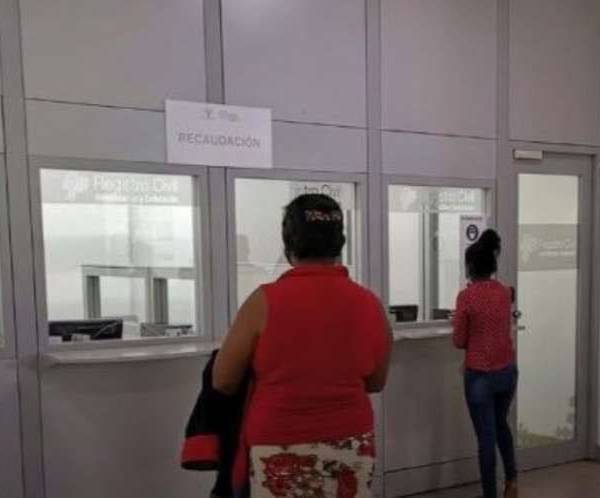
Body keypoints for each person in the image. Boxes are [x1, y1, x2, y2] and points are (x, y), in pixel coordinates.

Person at [213, 193, 392, 498]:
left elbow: (223, 380)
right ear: (339, 244)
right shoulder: (369, 303)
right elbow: (376, 382)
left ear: (289, 245)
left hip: (278, 442)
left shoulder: (263, 302)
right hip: (350, 440)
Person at [452, 230, 518, 498]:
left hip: (480, 376)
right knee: (501, 425)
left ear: (469, 266)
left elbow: (459, 340)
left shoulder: (466, 297)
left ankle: (490, 494)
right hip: (507, 372)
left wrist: (459, 321)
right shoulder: (504, 292)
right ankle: (512, 481)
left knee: (486, 439)